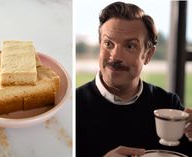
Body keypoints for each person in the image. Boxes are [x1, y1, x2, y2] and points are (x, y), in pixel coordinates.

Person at [76, 1, 192, 157]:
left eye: (129, 46)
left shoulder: (169, 105)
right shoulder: (74, 106)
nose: (115, 56)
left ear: (148, 55)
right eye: (108, 43)